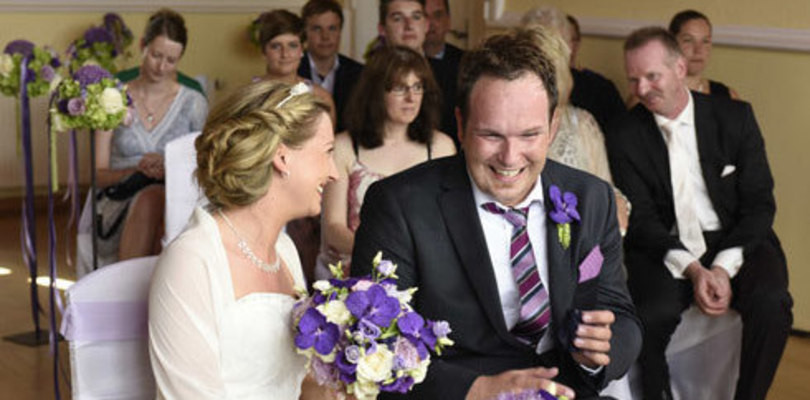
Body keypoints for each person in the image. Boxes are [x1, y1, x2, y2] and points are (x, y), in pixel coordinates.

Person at [351, 28, 641, 400]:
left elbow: (619, 312)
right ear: (460, 125)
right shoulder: (399, 205)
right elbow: (376, 344)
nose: (509, 157)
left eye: (529, 135)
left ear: (553, 127)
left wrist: (598, 352)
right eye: (491, 135)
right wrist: (476, 389)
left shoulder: (591, 198)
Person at [607, 27, 792, 400]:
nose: (641, 89)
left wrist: (722, 266)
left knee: (773, 304)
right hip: (665, 243)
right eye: (634, 79)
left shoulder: (735, 117)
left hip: (735, 237)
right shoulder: (624, 133)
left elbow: (759, 203)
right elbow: (641, 218)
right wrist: (693, 270)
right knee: (648, 314)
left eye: (651, 76)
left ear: (679, 68)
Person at [149, 80, 339, 399]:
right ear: (282, 158)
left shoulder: (284, 249)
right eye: (327, 153)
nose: (334, 172)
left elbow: (301, 381)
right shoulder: (191, 261)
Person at [80, 8, 207, 274]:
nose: (162, 67)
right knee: (152, 200)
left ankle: (134, 292)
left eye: (171, 60)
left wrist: (170, 167)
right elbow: (97, 175)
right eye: (156, 55)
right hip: (118, 198)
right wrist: (136, 171)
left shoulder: (193, 103)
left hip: (176, 199)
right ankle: (140, 291)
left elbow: (205, 168)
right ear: (142, 46)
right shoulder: (112, 98)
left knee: (159, 202)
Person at [316, 45, 455, 280]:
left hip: (426, 272)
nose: (412, 98)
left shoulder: (441, 147)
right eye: (401, 88)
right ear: (376, 92)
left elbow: (450, 225)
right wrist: (384, 258)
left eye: (418, 87)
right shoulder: (345, 147)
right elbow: (333, 228)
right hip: (359, 271)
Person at [520, 18, 630, 234]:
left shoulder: (582, 123)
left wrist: (616, 206)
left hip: (584, 238)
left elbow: (606, 189)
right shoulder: (506, 127)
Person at [253, 9, 336, 280]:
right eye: (276, 46)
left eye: (292, 45)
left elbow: (327, 149)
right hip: (262, 181)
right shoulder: (250, 95)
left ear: (302, 49)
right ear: (265, 51)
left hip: (305, 183)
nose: (285, 53)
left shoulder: (319, 97)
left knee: (306, 222)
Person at [379, 0, 459, 148]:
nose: (409, 26)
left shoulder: (455, 75)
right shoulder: (368, 78)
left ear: (426, 25)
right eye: (398, 18)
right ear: (382, 29)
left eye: (416, 17)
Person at [297, 0, 364, 133]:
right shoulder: (292, 70)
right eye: (317, 29)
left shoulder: (360, 73)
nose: (325, 36)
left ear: (340, 31)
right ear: (305, 33)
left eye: (332, 28)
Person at [669, 10, 740, 99]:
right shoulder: (655, 96)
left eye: (705, 41)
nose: (698, 50)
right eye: (688, 40)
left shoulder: (728, 97)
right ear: (671, 43)